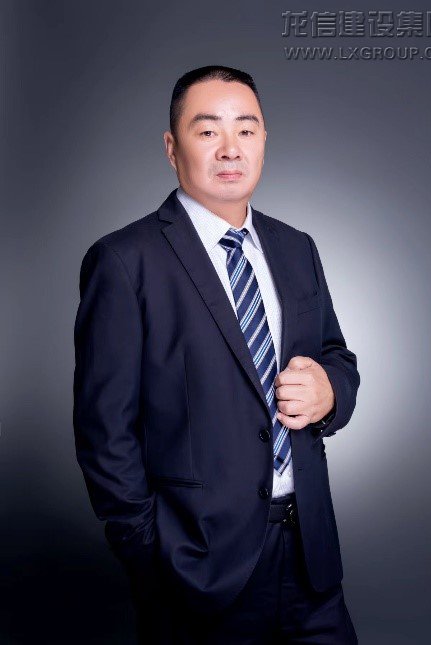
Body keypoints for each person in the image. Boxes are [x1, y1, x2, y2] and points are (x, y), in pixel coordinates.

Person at [73, 65, 360, 644]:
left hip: (310, 559)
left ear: (264, 141)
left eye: (246, 130)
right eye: (208, 131)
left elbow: (337, 356)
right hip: (196, 571)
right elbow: (105, 432)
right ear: (171, 147)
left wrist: (329, 391)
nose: (231, 148)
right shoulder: (125, 261)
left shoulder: (296, 247)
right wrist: (150, 555)